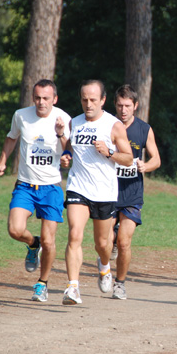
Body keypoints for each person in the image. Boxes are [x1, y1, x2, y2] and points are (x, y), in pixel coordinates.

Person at [0, 79, 71, 302]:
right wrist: (2, 161)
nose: (41, 102)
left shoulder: (63, 118)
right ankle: (31, 243)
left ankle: (42, 283)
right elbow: (11, 138)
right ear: (33, 97)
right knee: (15, 229)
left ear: (54, 99)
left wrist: (60, 134)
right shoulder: (21, 115)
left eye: (46, 98)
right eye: (37, 97)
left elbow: (70, 150)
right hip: (25, 185)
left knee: (49, 241)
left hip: (51, 187)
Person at [60, 80, 134, 305]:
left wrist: (110, 151)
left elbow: (129, 159)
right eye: (84, 100)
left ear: (102, 100)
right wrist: (66, 155)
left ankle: (104, 266)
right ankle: (73, 288)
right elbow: (71, 147)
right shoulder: (74, 122)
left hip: (104, 193)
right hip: (78, 187)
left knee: (102, 244)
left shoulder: (114, 125)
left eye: (93, 100)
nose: (88, 104)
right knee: (74, 234)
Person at [108, 84, 161, 300]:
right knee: (104, 241)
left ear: (135, 106)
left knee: (124, 242)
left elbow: (156, 159)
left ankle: (119, 284)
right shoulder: (107, 126)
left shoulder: (144, 129)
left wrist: (145, 167)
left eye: (127, 106)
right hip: (108, 192)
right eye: (119, 105)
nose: (123, 110)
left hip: (132, 194)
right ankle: (108, 250)